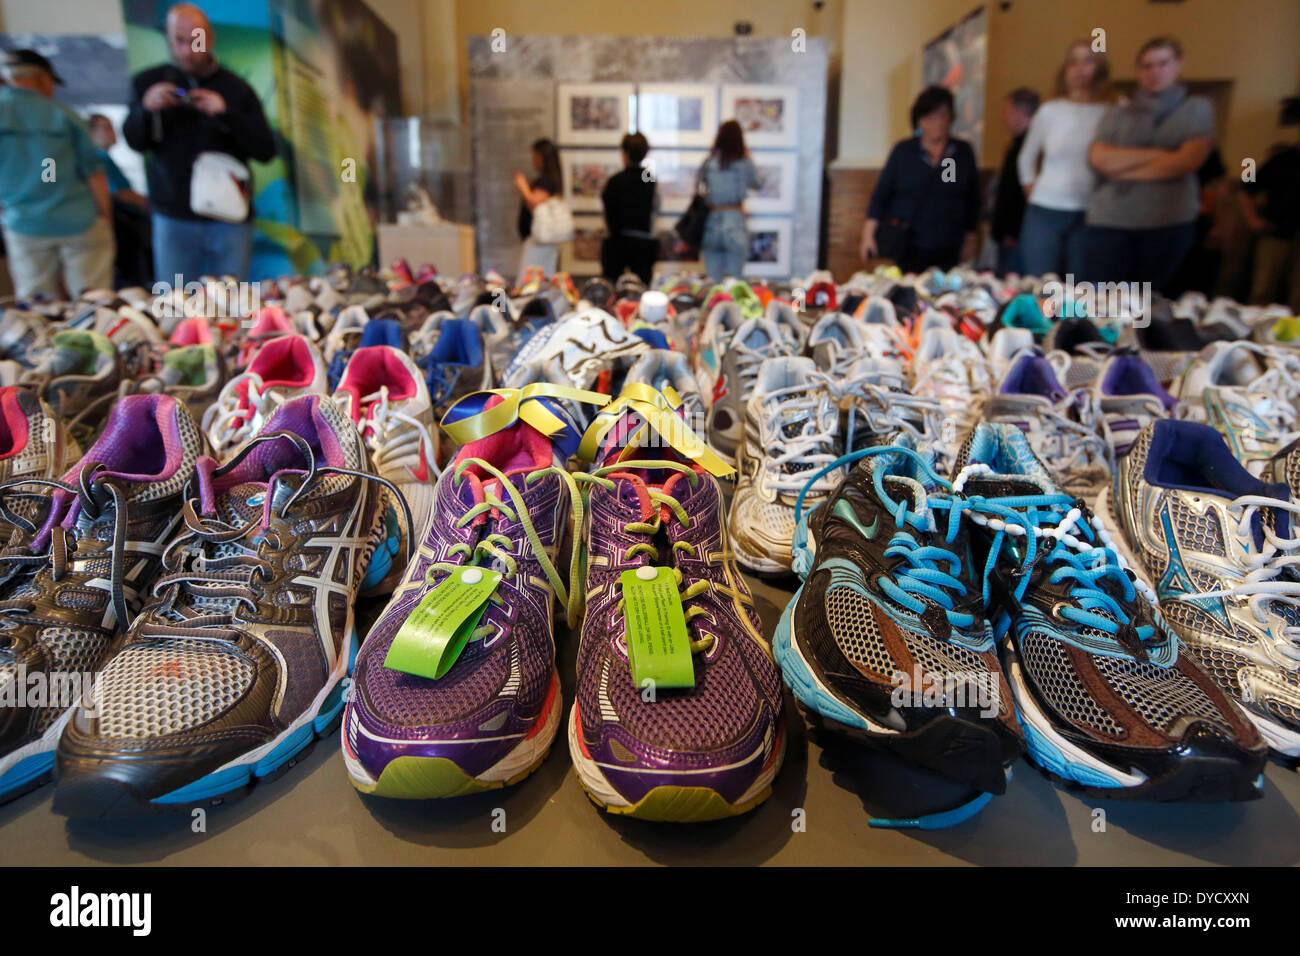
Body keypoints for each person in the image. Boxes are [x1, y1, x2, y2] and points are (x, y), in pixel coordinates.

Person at [124, 2, 275, 285]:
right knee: (175, 304)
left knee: (231, 305)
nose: (187, 50)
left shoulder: (237, 89)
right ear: (168, 38)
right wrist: (145, 111)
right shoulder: (149, 82)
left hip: (229, 218)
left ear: (210, 38)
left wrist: (226, 114)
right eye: (178, 40)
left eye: (195, 40)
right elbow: (135, 141)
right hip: (173, 216)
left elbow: (266, 150)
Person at [1085, 37, 1214, 291]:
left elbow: (1188, 160)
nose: (1154, 72)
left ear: (1178, 64)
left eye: (1162, 63)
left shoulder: (1195, 108)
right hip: (1110, 220)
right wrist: (1164, 154)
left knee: (1151, 306)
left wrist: (1122, 167)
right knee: (1100, 302)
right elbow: (1099, 158)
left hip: (1166, 223)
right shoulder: (1118, 112)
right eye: (1146, 65)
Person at [0, 50, 114, 300]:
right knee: (93, 300)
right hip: (78, 220)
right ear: (41, 79)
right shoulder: (63, 115)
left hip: (24, 223)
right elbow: (94, 172)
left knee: (35, 303)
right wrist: (104, 218)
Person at [861, 86, 980, 273]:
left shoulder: (959, 152)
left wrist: (971, 240)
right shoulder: (904, 151)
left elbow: (971, 199)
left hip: (949, 244)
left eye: (943, 116)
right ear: (919, 120)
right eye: (930, 117)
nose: (937, 123)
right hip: (909, 243)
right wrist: (868, 236)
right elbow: (880, 195)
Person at [1018, 41, 1111, 279]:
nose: (1080, 68)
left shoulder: (1111, 111)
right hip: (1045, 210)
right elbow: (1026, 158)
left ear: (1098, 67)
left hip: (1090, 213)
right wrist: (1033, 192)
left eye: (1087, 61)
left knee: (1082, 290)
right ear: (1065, 69)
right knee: (1040, 284)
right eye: (1073, 62)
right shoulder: (1050, 111)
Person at [88, 113, 154, 288]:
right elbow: (120, 193)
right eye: (106, 127)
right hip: (119, 229)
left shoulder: (104, 158)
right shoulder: (99, 158)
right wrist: (152, 205)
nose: (113, 132)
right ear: (90, 132)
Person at [1240, 140, 1300, 311]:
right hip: (1276, 231)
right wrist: (1252, 219)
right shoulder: (1283, 159)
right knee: (1263, 287)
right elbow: (1246, 188)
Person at [699, 120, 762, 281]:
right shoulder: (744, 162)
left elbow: (701, 182)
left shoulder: (710, 161)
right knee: (736, 280)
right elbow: (758, 183)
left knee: (713, 281)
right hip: (735, 219)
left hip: (711, 221)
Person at [990, 87, 1039, 277]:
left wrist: (1011, 231)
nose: (1003, 117)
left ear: (1020, 113)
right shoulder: (1016, 145)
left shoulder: (1030, 149)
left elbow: (1017, 195)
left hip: (1017, 237)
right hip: (1011, 235)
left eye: (1006, 111)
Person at [600, 133, 659, 284]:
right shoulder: (649, 178)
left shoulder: (615, 180)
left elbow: (609, 214)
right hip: (644, 243)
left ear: (625, 153)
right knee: (642, 287)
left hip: (617, 243)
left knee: (612, 287)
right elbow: (654, 209)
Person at [513, 138, 563, 277]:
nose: (533, 160)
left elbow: (534, 204)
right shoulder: (549, 179)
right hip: (537, 242)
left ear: (542, 157)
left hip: (539, 245)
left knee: (533, 282)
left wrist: (523, 186)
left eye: (535, 156)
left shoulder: (547, 180)